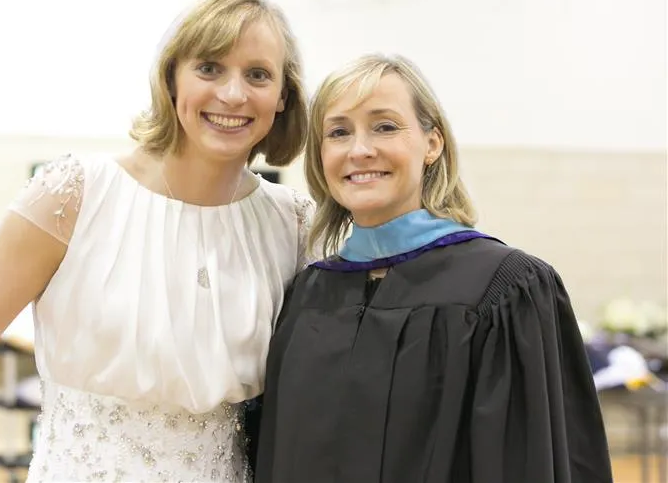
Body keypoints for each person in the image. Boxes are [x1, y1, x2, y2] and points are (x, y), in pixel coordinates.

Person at [0, 0, 314, 483]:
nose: (232, 94)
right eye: (209, 68)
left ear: (282, 98)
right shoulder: (76, 195)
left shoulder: (292, 223)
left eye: (258, 75)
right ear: (171, 79)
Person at [255, 53, 613, 483]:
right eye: (338, 132)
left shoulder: (506, 290)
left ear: (432, 144)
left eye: (385, 126)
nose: (360, 149)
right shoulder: (306, 295)